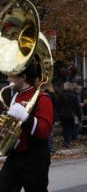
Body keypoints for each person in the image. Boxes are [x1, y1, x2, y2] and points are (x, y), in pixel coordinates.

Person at [0, 62, 53, 192]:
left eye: (11, 76)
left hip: (35, 158)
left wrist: (25, 117)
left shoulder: (43, 98)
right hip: (15, 156)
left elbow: (44, 130)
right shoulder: (15, 96)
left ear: (23, 77)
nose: (8, 79)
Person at [57, 82, 81, 148]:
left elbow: (58, 106)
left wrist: (58, 115)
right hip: (72, 115)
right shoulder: (74, 96)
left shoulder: (61, 95)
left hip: (63, 115)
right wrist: (79, 116)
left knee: (65, 128)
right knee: (72, 127)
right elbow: (77, 107)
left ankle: (66, 141)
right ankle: (70, 140)